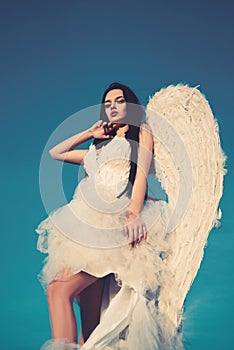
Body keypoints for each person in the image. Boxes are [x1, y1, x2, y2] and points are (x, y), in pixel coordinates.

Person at [36, 82, 225, 349]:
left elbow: (139, 178)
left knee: (58, 290)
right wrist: (89, 132)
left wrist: (134, 214)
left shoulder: (140, 135)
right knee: (91, 329)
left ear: (130, 106)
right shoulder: (95, 149)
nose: (113, 105)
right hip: (85, 228)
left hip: (113, 226)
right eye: (108, 102)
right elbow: (56, 153)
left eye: (120, 100)